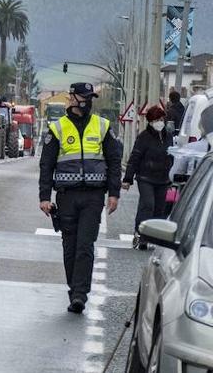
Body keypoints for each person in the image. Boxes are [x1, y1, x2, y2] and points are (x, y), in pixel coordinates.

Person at [38, 82, 122, 314]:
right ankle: (73, 288)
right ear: (72, 98)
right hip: (66, 196)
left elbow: (115, 162)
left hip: (94, 196)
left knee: (85, 246)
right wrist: (44, 196)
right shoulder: (58, 128)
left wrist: (114, 193)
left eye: (90, 97)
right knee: (70, 247)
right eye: (84, 96)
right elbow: (46, 165)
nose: (88, 101)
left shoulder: (103, 126)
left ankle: (79, 295)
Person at [121, 104, 174, 249]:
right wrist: (127, 178)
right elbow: (135, 158)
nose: (159, 122)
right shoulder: (143, 137)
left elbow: (173, 156)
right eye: (156, 120)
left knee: (160, 209)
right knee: (148, 205)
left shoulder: (169, 137)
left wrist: (174, 175)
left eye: (161, 119)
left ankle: (155, 236)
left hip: (164, 179)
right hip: (146, 178)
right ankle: (140, 234)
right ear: (150, 122)